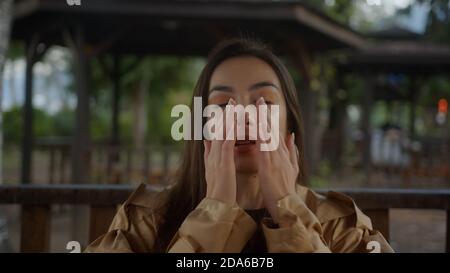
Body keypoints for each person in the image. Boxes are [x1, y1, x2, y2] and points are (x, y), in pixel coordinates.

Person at [85, 38, 393, 253]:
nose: (243, 116)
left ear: (290, 125)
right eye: (221, 105)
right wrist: (214, 214)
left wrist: (289, 212)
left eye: (265, 102)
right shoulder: (145, 221)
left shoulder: (341, 226)